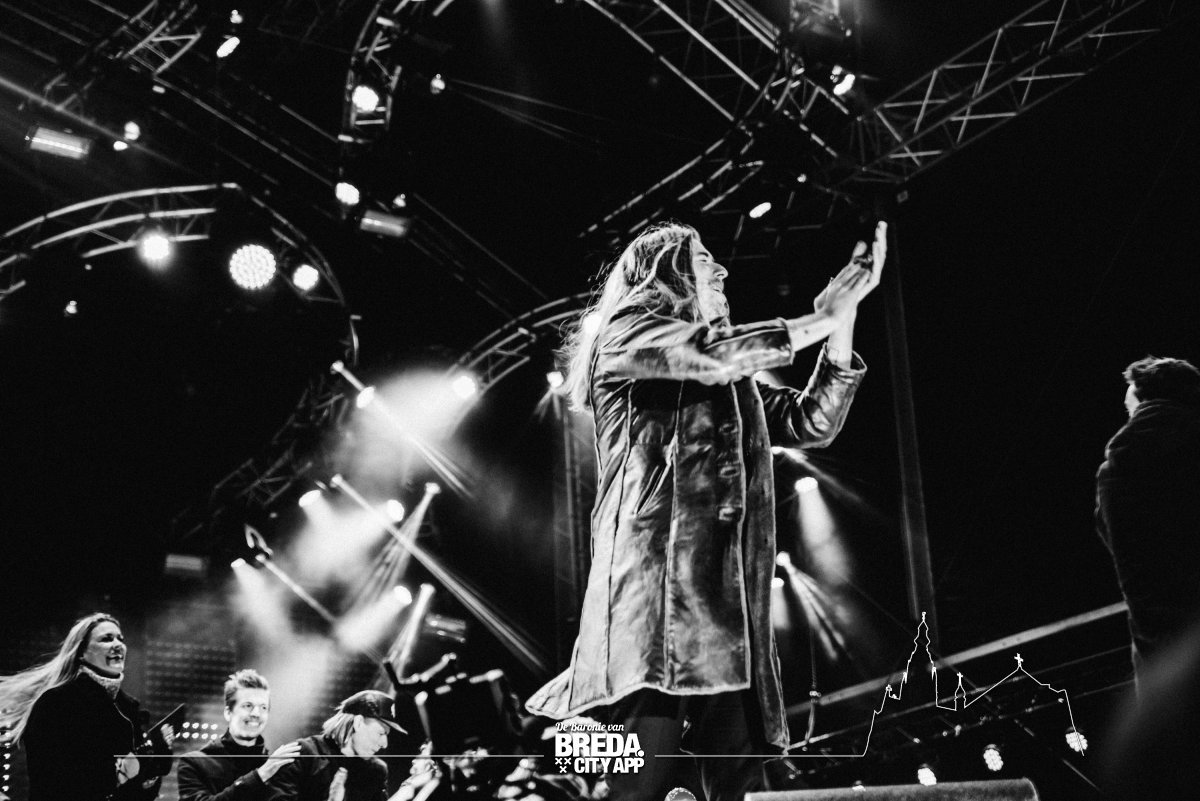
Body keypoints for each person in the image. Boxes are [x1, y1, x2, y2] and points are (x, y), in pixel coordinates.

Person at [526, 220, 886, 801]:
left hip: (729, 625)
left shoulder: (732, 385)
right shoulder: (626, 334)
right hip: (655, 619)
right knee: (639, 788)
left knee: (736, 788)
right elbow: (708, 354)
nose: (721, 271)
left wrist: (842, 320)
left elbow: (811, 422)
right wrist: (819, 316)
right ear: (663, 273)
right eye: (702, 259)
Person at [1096, 355, 1200, 679]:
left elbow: (1112, 538)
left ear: (1143, 402)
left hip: (1160, 646)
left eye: (1131, 407)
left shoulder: (1114, 471)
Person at [0, 613, 175, 801]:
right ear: (82, 652)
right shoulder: (57, 702)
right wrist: (122, 772)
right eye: (106, 639)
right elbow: (52, 779)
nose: (117, 644)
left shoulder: (129, 709)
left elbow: (138, 790)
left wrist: (156, 762)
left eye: (120, 639)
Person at [177, 669, 303, 801]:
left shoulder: (277, 768)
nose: (256, 713)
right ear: (228, 713)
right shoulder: (194, 763)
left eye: (263, 707)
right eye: (248, 705)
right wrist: (260, 776)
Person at [271, 690, 404, 801]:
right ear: (358, 723)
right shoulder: (303, 754)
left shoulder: (376, 772)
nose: (384, 744)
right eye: (381, 733)